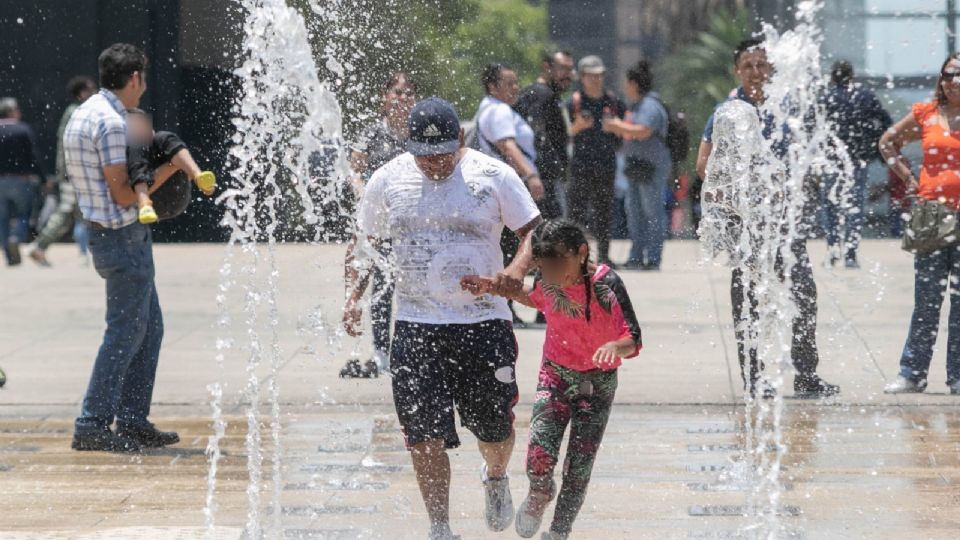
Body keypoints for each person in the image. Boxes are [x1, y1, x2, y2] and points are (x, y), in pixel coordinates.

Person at [343, 97, 542, 539]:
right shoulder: (389, 179)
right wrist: (352, 298)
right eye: (423, 155)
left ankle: (494, 475)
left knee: (493, 429)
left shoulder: (493, 175)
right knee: (422, 432)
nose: (433, 164)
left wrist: (514, 271)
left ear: (462, 140)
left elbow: (533, 230)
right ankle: (440, 526)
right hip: (416, 325)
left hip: (484, 322)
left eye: (442, 154)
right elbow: (364, 241)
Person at [460, 220, 641, 540]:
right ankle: (540, 492)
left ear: (582, 252)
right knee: (539, 457)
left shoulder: (606, 284)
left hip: (598, 385)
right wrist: (490, 286)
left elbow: (634, 338)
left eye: (559, 264)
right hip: (555, 375)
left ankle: (558, 532)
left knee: (578, 468)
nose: (554, 274)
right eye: (545, 267)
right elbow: (534, 296)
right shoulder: (550, 281)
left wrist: (615, 346)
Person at [696, 39, 840, 399]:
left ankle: (806, 375)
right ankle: (754, 379)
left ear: (771, 68)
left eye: (761, 65)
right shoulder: (727, 113)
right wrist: (737, 196)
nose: (756, 72)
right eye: (748, 65)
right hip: (748, 227)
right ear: (737, 71)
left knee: (804, 297)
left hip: (785, 226)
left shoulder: (787, 108)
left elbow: (806, 160)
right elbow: (704, 165)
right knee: (747, 302)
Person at [65, 43, 182, 452]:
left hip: (108, 236)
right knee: (126, 333)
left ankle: (132, 419)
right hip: (121, 238)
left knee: (148, 328)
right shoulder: (112, 122)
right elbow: (123, 193)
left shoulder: (85, 113)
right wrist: (175, 167)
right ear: (134, 79)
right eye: (143, 80)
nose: (144, 88)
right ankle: (92, 423)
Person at [880, 53, 960, 395]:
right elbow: (887, 143)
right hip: (931, 215)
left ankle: (957, 376)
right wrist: (909, 179)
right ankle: (912, 372)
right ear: (941, 79)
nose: (955, 81)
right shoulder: (925, 114)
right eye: (949, 74)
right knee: (927, 298)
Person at [340, 72, 416, 379]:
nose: (402, 97)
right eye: (396, 92)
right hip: (379, 222)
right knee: (381, 288)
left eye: (408, 92)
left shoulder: (417, 133)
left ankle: (412, 350)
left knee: (413, 288)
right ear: (385, 97)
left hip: (410, 223)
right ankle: (382, 352)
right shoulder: (373, 131)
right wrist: (365, 196)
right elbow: (354, 171)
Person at [476, 63, 545, 327]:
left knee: (504, 247)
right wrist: (531, 175)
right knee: (529, 242)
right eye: (509, 83)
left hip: (495, 187)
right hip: (511, 186)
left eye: (516, 82)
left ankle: (507, 304)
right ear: (493, 87)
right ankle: (529, 303)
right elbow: (508, 146)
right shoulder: (500, 110)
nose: (516, 88)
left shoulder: (487, 108)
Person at [820, 60, 892, 268]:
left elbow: (810, 125)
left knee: (831, 205)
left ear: (833, 77)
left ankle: (833, 252)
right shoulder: (865, 96)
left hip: (831, 159)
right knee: (855, 206)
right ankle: (851, 255)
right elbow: (886, 121)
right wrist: (877, 142)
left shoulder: (826, 97)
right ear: (852, 76)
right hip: (858, 159)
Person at [601, 60, 672, 270]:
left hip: (650, 169)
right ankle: (636, 256)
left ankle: (653, 258)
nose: (625, 88)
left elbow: (644, 130)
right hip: (635, 168)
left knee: (652, 213)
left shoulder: (650, 105)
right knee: (634, 213)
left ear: (634, 84)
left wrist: (616, 125)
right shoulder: (637, 105)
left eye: (627, 83)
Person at [28, 76, 98, 267]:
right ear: (82, 93)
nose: (94, 93)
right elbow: (66, 145)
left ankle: (83, 253)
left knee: (76, 214)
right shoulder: (76, 113)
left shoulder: (77, 112)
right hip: (74, 174)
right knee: (69, 212)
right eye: (91, 89)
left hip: (74, 172)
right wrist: (67, 172)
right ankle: (40, 247)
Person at [566, 55, 625, 267]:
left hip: (606, 164)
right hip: (580, 165)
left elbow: (624, 132)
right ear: (581, 77)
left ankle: (604, 256)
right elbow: (562, 134)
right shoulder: (573, 103)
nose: (596, 80)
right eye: (591, 76)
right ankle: (575, 257)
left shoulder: (614, 102)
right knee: (577, 212)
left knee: (604, 212)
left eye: (599, 75)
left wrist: (617, 127)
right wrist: (577, 127)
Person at [515, 50, 576, 220]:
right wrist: (546, 171)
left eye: (571, 70)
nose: (568, 75)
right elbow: (536, 135)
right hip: (542, 181)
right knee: (551, 233)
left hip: (545, 178)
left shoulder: (548, 95)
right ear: (547, 67)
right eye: (563, 68)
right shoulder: (542, 95)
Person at [126, 110, 215, 224]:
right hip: (149, 202)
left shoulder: (158, 140)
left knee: (165, 137)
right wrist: (173, 165)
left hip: (178, 196)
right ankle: (144, 202)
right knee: (137, 147)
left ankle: (198, 176)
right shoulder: (129, 150)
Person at [0, 97, 44, 266]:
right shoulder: (22, 129)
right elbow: (33, 157)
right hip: (20, 180)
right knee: (23, 214)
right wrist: (43, 178)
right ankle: (16, 237)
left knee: (2, 218)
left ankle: (7, 252)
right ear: (11, 111)